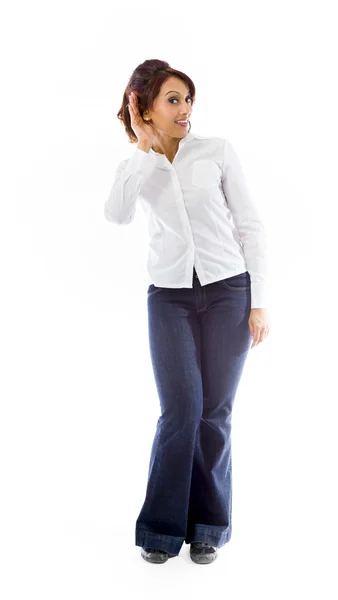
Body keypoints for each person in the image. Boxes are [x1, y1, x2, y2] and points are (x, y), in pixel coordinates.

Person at [104, 59, 271, 564]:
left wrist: (259, 300)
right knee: (180, 412)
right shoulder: (137, 163)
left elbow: (251, 226)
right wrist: (140, 150)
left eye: (187, 99)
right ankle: (159, 531)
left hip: (228, 293)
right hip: (169, 298)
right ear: (145, 106)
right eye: (172, 100)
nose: (184, 110)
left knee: (214, 415)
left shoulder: (217, 152)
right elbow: (116, 215)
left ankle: (208, 528)